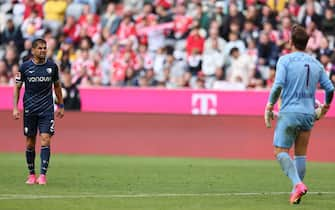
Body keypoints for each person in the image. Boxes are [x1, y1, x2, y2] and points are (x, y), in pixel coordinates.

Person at [264, 24, 334, 204]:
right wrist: (326, 105)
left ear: (291, 41)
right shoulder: (317, 64)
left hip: (289, 113)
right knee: (300, 154)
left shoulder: (285, 61)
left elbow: (278, 85)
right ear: (307, 43)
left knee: (279, 151)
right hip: (308, 114)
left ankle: (297, 184)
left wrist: (270, 104)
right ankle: (296, 193)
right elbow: (330, 88)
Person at [13, 38, 64, 185]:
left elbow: (57, 87)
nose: (43, 50)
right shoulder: (24, 67)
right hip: (30, 110)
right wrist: (15, 108)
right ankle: (31, 174)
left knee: (45, 139)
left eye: (44, 48)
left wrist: (60, 105)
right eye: (40, 48)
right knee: (30, 142)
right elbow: (17, 87)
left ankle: (42, 175)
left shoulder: (52, 67)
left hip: (47, 110)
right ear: (33, 50)